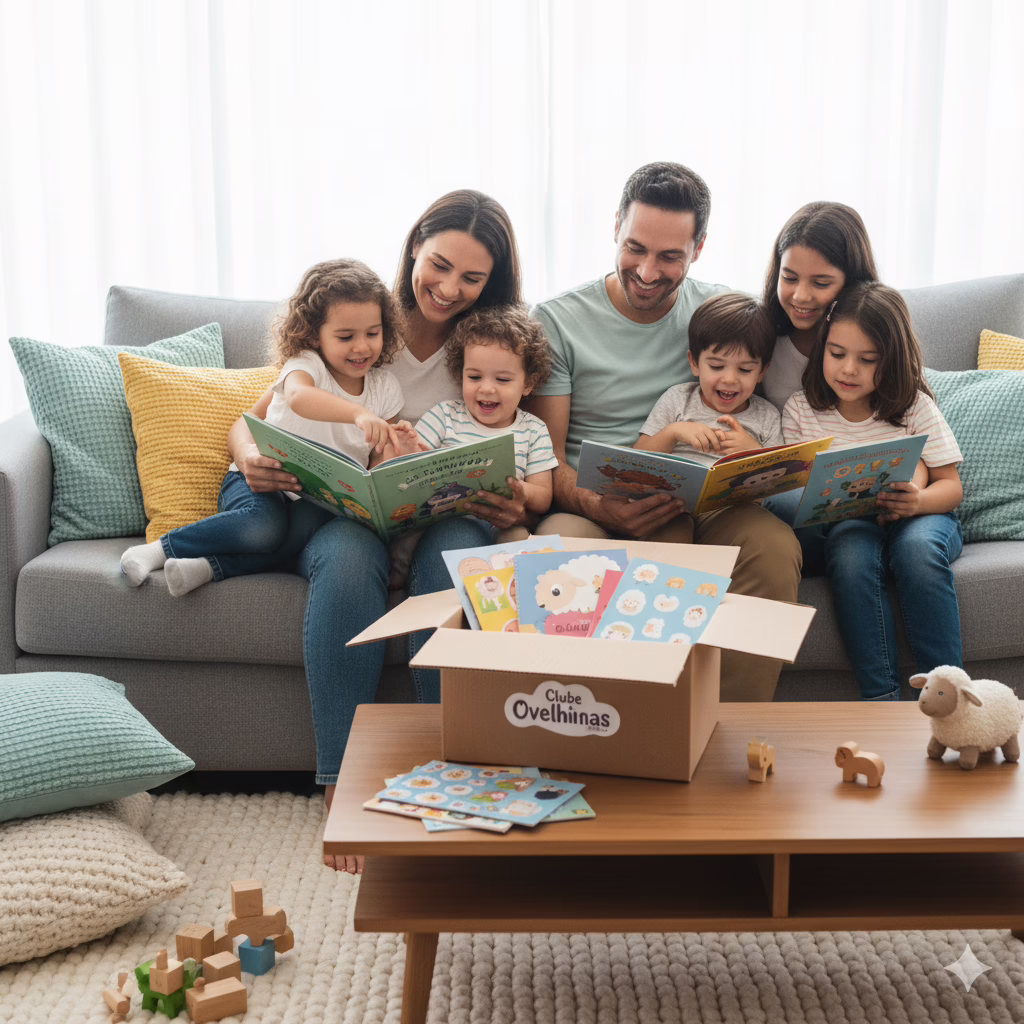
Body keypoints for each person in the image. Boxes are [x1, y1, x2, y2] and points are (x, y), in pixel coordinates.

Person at [228, 190, 528, 873]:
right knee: (345, 553)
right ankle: (341, 780)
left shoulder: (494, 342)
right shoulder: (363, 322)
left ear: (494, 282)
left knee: (452, 561)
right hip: (353, 516)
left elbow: (522, 443)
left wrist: (511, 502)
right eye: (440, 264)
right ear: (416, 244)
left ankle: (451, 771)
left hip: (449, 516)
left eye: (473, 277)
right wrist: (247, 457)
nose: (449, 288)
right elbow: (252, 418)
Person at [528, 161, 802, 702]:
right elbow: (549, 457)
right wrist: (599, 506)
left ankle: (726, 732)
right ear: (614, 226)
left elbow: (767, 424)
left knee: (772, 545)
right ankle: (586, 732)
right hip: (593, 501)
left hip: (707, 502)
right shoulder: (557, 320)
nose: (649, 271)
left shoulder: (721, 313)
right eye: (636, 248)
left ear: (698, 248)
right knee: (560, 555)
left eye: (670, 256)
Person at [120, 259, 415, 596]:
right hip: (258, 481)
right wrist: (358, 415)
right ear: (315, 336)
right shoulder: (305, 366)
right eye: (346, 336)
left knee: (298, 538)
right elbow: (300, 398)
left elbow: (377, 466)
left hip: (315, 500)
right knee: (265, 527)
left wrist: (397, 450)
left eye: (372, 334)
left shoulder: (386, 387)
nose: (362, 347)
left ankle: (207, 567)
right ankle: (160, 549)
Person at [782, 281, 964, 701]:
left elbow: (951, 487)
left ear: (893, 360)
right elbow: (798, 492)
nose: (849, 370)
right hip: (849, 523)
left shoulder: (912, 405)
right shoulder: (801, 410)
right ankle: (880, 699)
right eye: (837, 354)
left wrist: (918, 502)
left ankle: (951, 693)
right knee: (848, 554)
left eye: (868, 360)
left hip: (924, 514)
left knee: (916, 553)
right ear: (822, 346)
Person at [634, 292, 783, 542]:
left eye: (745, 369)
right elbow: (637, 459)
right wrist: (673, 433)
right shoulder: (677, 399)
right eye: (716, 366)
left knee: (770, 538)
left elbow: (780, 484)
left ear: (762, 372)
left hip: (734, 513)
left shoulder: (766, 415)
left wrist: (753, 452)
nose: (729, 379)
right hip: (673, 507)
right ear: (694, 363)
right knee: (669, 535)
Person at [411, 304, 557, 539]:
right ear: (461, 375)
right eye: (474, 377)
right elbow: (412, 464)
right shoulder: (445, 415)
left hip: (501, 527)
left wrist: (512, 487)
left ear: (528, 384)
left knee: (519, 537)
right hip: (443, 527)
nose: (486, 388)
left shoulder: (533, 430)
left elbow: (543, 498)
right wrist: (407, 448)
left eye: (502, 379)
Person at [761, 201, 878, 413]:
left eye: (821, 283)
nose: (801, 296)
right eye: (789, 278)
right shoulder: (763, 342)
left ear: (853, 282)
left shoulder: (878, 340)